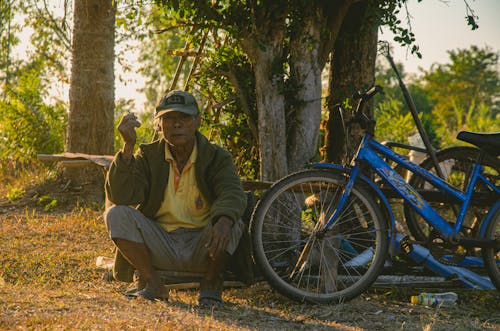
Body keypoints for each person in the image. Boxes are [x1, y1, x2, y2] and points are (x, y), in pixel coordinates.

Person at [104, 90, 248, 307]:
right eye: (169, 119)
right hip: (160, 244)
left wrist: (224, 221)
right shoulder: (148, 155)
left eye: (184, 118)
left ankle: (211, 282)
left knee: (233, 222)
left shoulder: (216, 156)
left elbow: (232, 192)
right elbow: (121, 196)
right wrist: (127, 148)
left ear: (197, 122)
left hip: (204, 246)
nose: (177, 125)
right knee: (116, 214)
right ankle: (153, 282)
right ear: (159, 125)